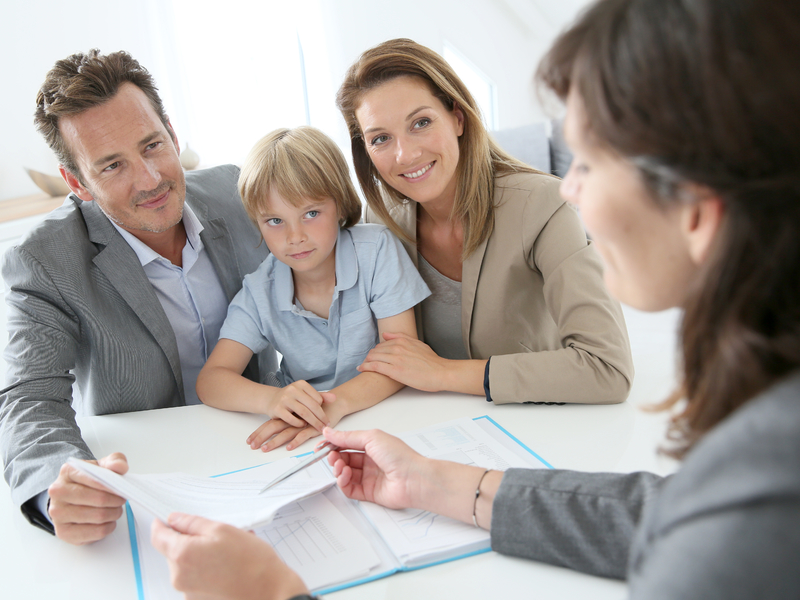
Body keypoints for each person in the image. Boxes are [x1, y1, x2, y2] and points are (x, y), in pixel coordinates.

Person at [150, 0, 800, 597]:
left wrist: (272, 592)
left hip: (552, 430)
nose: (570, 187)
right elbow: (663, 509)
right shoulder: (384, 233)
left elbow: (607, 374)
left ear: (698, 208)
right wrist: (438, 482)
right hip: (453, 451)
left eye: (591, 161)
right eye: (379, 139)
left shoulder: (761, 490)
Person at [0, 49, 276, 544]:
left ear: (172, 134)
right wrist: (53, 490)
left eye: (152, 146)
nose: (149, 180)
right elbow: (28, 398)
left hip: (266, 451)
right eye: (112, 166)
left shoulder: (240, 193)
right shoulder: (44, 260)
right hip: (150, 488)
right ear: (77, 184)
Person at [336, 37, 634, 405]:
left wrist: (443, 373)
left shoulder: (543, 206)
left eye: (421, 122)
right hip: (431, 424)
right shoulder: (379, 219)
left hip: (543, 422)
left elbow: (608, 369)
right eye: (380, 138)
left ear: (457, 118)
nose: (405, 154)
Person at [196, 127, 429, 451]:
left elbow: (403, 360)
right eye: (275, 221)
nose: (295, 236)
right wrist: (273, 400)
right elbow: (211, 381)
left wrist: (335, 404)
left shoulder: (376, 250)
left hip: (381, 415)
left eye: (311, 214)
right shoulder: (259, 290)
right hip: (304, 428)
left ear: (341, 206)